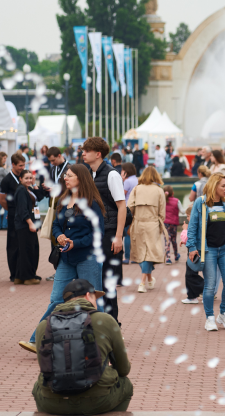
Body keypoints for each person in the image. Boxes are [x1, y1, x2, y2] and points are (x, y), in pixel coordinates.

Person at [18, 165, 105, 353]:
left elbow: (98, 233)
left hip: (88, 257)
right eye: (66, 175)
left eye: (70, 176)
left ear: (81, 178)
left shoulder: (92, 203)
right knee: (57, 300)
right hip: (66, 257)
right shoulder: (64, 199)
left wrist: (77, 242)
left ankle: (104, 340)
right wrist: (58, 236)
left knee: (92, 300)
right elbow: (57, 224)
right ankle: (37, 340)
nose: (66, 178)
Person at [30, 279, 132, 414]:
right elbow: (123, 369)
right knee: (126, 384)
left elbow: (45, 367)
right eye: (96, 298)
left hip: (53, 402)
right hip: (97, 401)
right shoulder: (105, 320)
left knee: (38, 385)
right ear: (88, 296)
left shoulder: (44, 325)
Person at [81, 137, 126, 323]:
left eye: (86, 150)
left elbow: (122, 207)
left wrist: (118, 236)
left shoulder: (111, 175)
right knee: (93, 282)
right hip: (94, 235)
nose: (83, 153)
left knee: (108, 283)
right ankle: (96, 323)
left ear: (97, 154)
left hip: (109, 234)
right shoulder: (88, 174)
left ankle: (113, 325)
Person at [186, 173, 225, 331]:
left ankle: (224, 313)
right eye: (223, 186)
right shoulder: (200, 203)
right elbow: (192, 226)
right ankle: (209, 317)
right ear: (215, 186)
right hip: (208, 250)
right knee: (210, 285)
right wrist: (192, 247)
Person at [128, 166, 170, 293]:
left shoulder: (136, 189)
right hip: (153, 224)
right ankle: (144, 281)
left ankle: (147, 280)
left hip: (138, 223)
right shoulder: (159, 191)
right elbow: (162, 212)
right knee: (150, 253)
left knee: (141, 252)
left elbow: (129, 207)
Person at [0, 153, 26, 281]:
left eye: (24, 165)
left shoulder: (24, 178)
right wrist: (11, 211)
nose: (22, 167)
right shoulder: (7, 180)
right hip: (13, 215)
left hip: (24, 216)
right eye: (20, 165)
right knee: (13, 244)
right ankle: (13, 273)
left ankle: (23, 271)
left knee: (23, 243)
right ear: (13, 164)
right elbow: (2, 200)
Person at [13, 169, 41, 285]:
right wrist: (30, 223)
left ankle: (20, 276)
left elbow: (39, 197)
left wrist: (34, 184)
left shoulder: (26, 189)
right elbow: (23, 209)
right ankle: (28, 277)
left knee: (25, 250)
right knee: (29, 251)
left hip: (26, 224)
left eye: (31, 178)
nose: (29, 180)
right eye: (26, 178)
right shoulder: (21, 191)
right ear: (20, 179)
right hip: (25, 225)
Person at [121, 162, 138, 264]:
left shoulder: (127, 182)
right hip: (137, 208)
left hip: (128, 208)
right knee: (135, 234)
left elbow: (122, 195)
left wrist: (122, 180)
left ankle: (127, 257)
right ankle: (135, 257)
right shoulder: (137, 180)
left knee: (127, 234)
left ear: (126, 171)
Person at [164, 185, 180, 264]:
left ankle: (168, 258)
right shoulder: (177, 201)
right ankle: (176, 255)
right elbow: (183, 211)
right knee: (174, 240)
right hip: (174, 223)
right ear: (172, 193)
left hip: (165, 223)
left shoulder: (162, 201)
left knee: (167, 240)